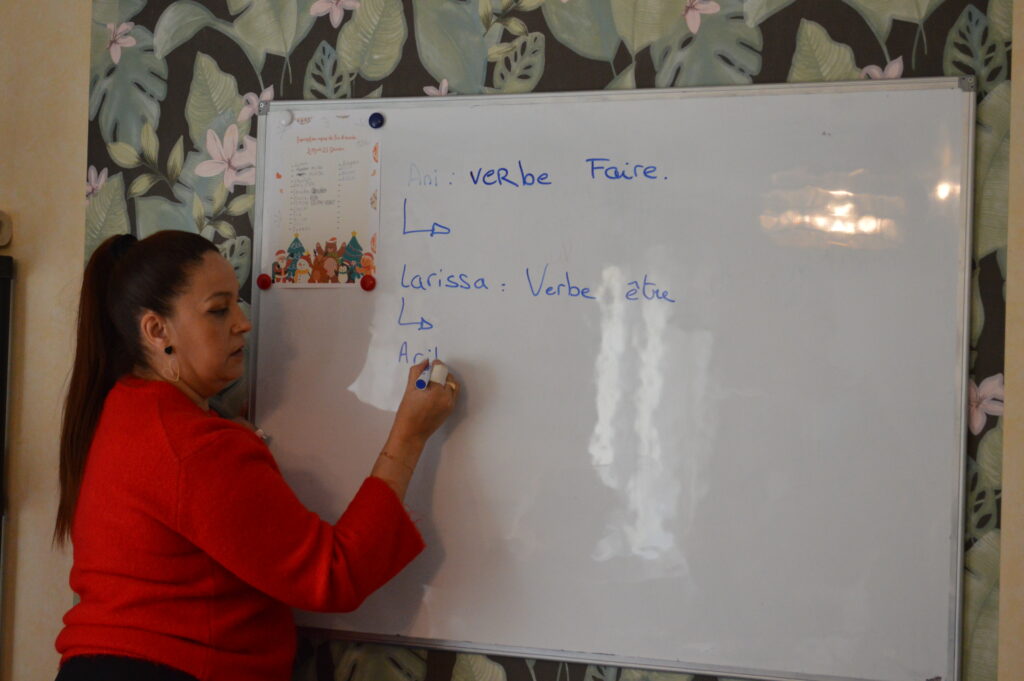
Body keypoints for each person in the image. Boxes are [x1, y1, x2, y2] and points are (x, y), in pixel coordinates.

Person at [53, 231, 459, 681]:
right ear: (156, 330)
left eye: (237, 305)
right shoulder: (194, 445)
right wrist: (409, 437)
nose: (243, 323)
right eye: (218, 310)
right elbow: (333, 575)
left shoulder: (127, 408)